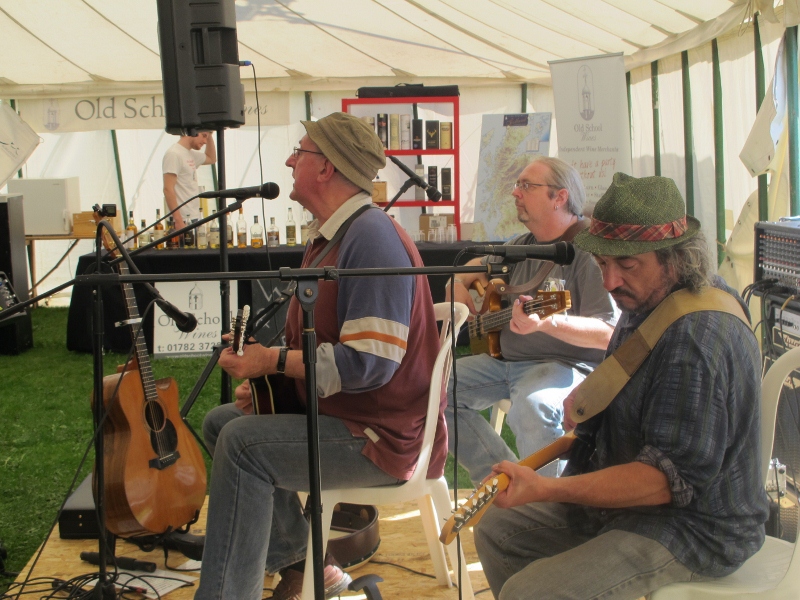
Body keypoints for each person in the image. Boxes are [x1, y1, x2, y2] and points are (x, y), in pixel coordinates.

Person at [473, 172, 770, 600]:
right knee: (499, 531)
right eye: (601, 264)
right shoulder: (650, 296)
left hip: (693, 527)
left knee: (530, 592)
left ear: (673, 258)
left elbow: (663, 482)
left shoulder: (698, 339)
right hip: (634, 507)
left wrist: (547, 487)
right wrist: (597, 400)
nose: (610, 282)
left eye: (626, 265)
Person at [195, 112, 445, 600]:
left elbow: (370, 364)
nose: (290, 160)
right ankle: (305, 565)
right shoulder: (335, 235)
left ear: (326, 167)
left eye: (300, 151)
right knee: (222, 423)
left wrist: (272, 363)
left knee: (242, 445)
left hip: (382, 437)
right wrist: (274, 387)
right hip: (351, 416)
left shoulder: (371, 237)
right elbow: (322, 344)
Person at [445, 156, 616, 482]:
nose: (515, 192)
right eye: (517, 184)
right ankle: (501, 480)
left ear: (560, 197)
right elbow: (469, 269)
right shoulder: (519, 246)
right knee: (428, 387)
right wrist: (457, 283)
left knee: (533, 408)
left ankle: (548, 507)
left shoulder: (590, 250)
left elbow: (608, 332)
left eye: (527, 185)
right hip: (502, 362)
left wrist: (548, 323)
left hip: (564, 366)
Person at [162, 131, 216, 229]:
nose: (205, 141)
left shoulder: (190, 153)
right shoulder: (174, 154)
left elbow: (212, 158)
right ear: (193, 131)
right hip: (182, 219)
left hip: (194, 217)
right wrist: (178, 220)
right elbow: (168, 189)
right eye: (203, 136)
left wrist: (210, 133)